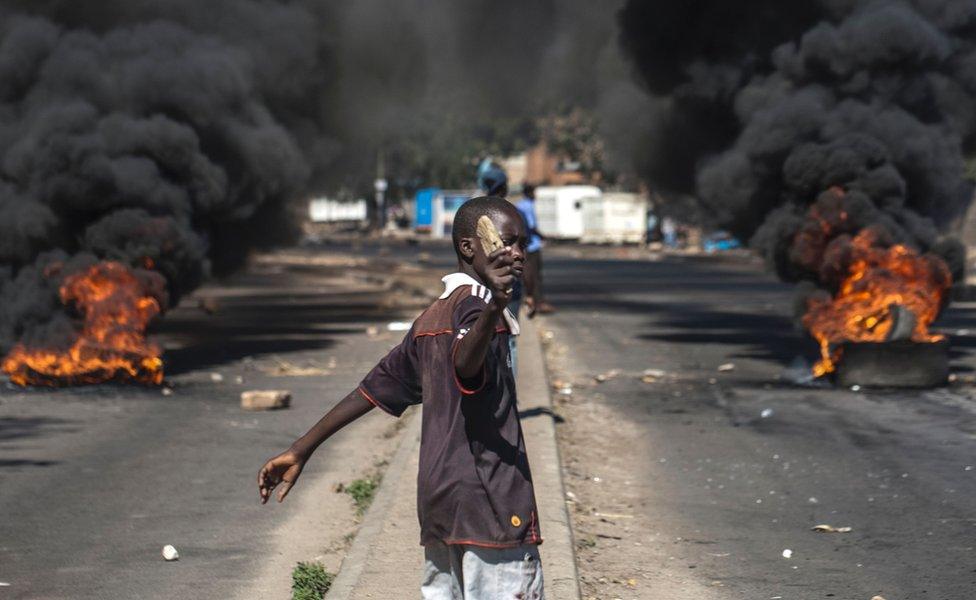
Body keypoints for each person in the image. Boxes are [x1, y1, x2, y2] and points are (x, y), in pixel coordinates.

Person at [257, 196, 544, 599]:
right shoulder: (480, 311)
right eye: (507, 241)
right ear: (468, 246)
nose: (518, 253)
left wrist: (302, 448)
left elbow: (372, 390)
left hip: (441, 507)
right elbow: (466, 365)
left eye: (523, 244)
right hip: (492, 507)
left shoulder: (432, 318)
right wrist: (496, 305)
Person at [515, 184, 554, 315]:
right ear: (529, 193)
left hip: (529, 244)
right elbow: (531, 226)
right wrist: (543, 236)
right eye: (534, 192)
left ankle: (534, 301)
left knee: (531, 274)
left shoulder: (521, 205)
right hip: (532, 245)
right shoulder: (527, 206)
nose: (536, 195)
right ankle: (537, 302)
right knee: (534, 275)